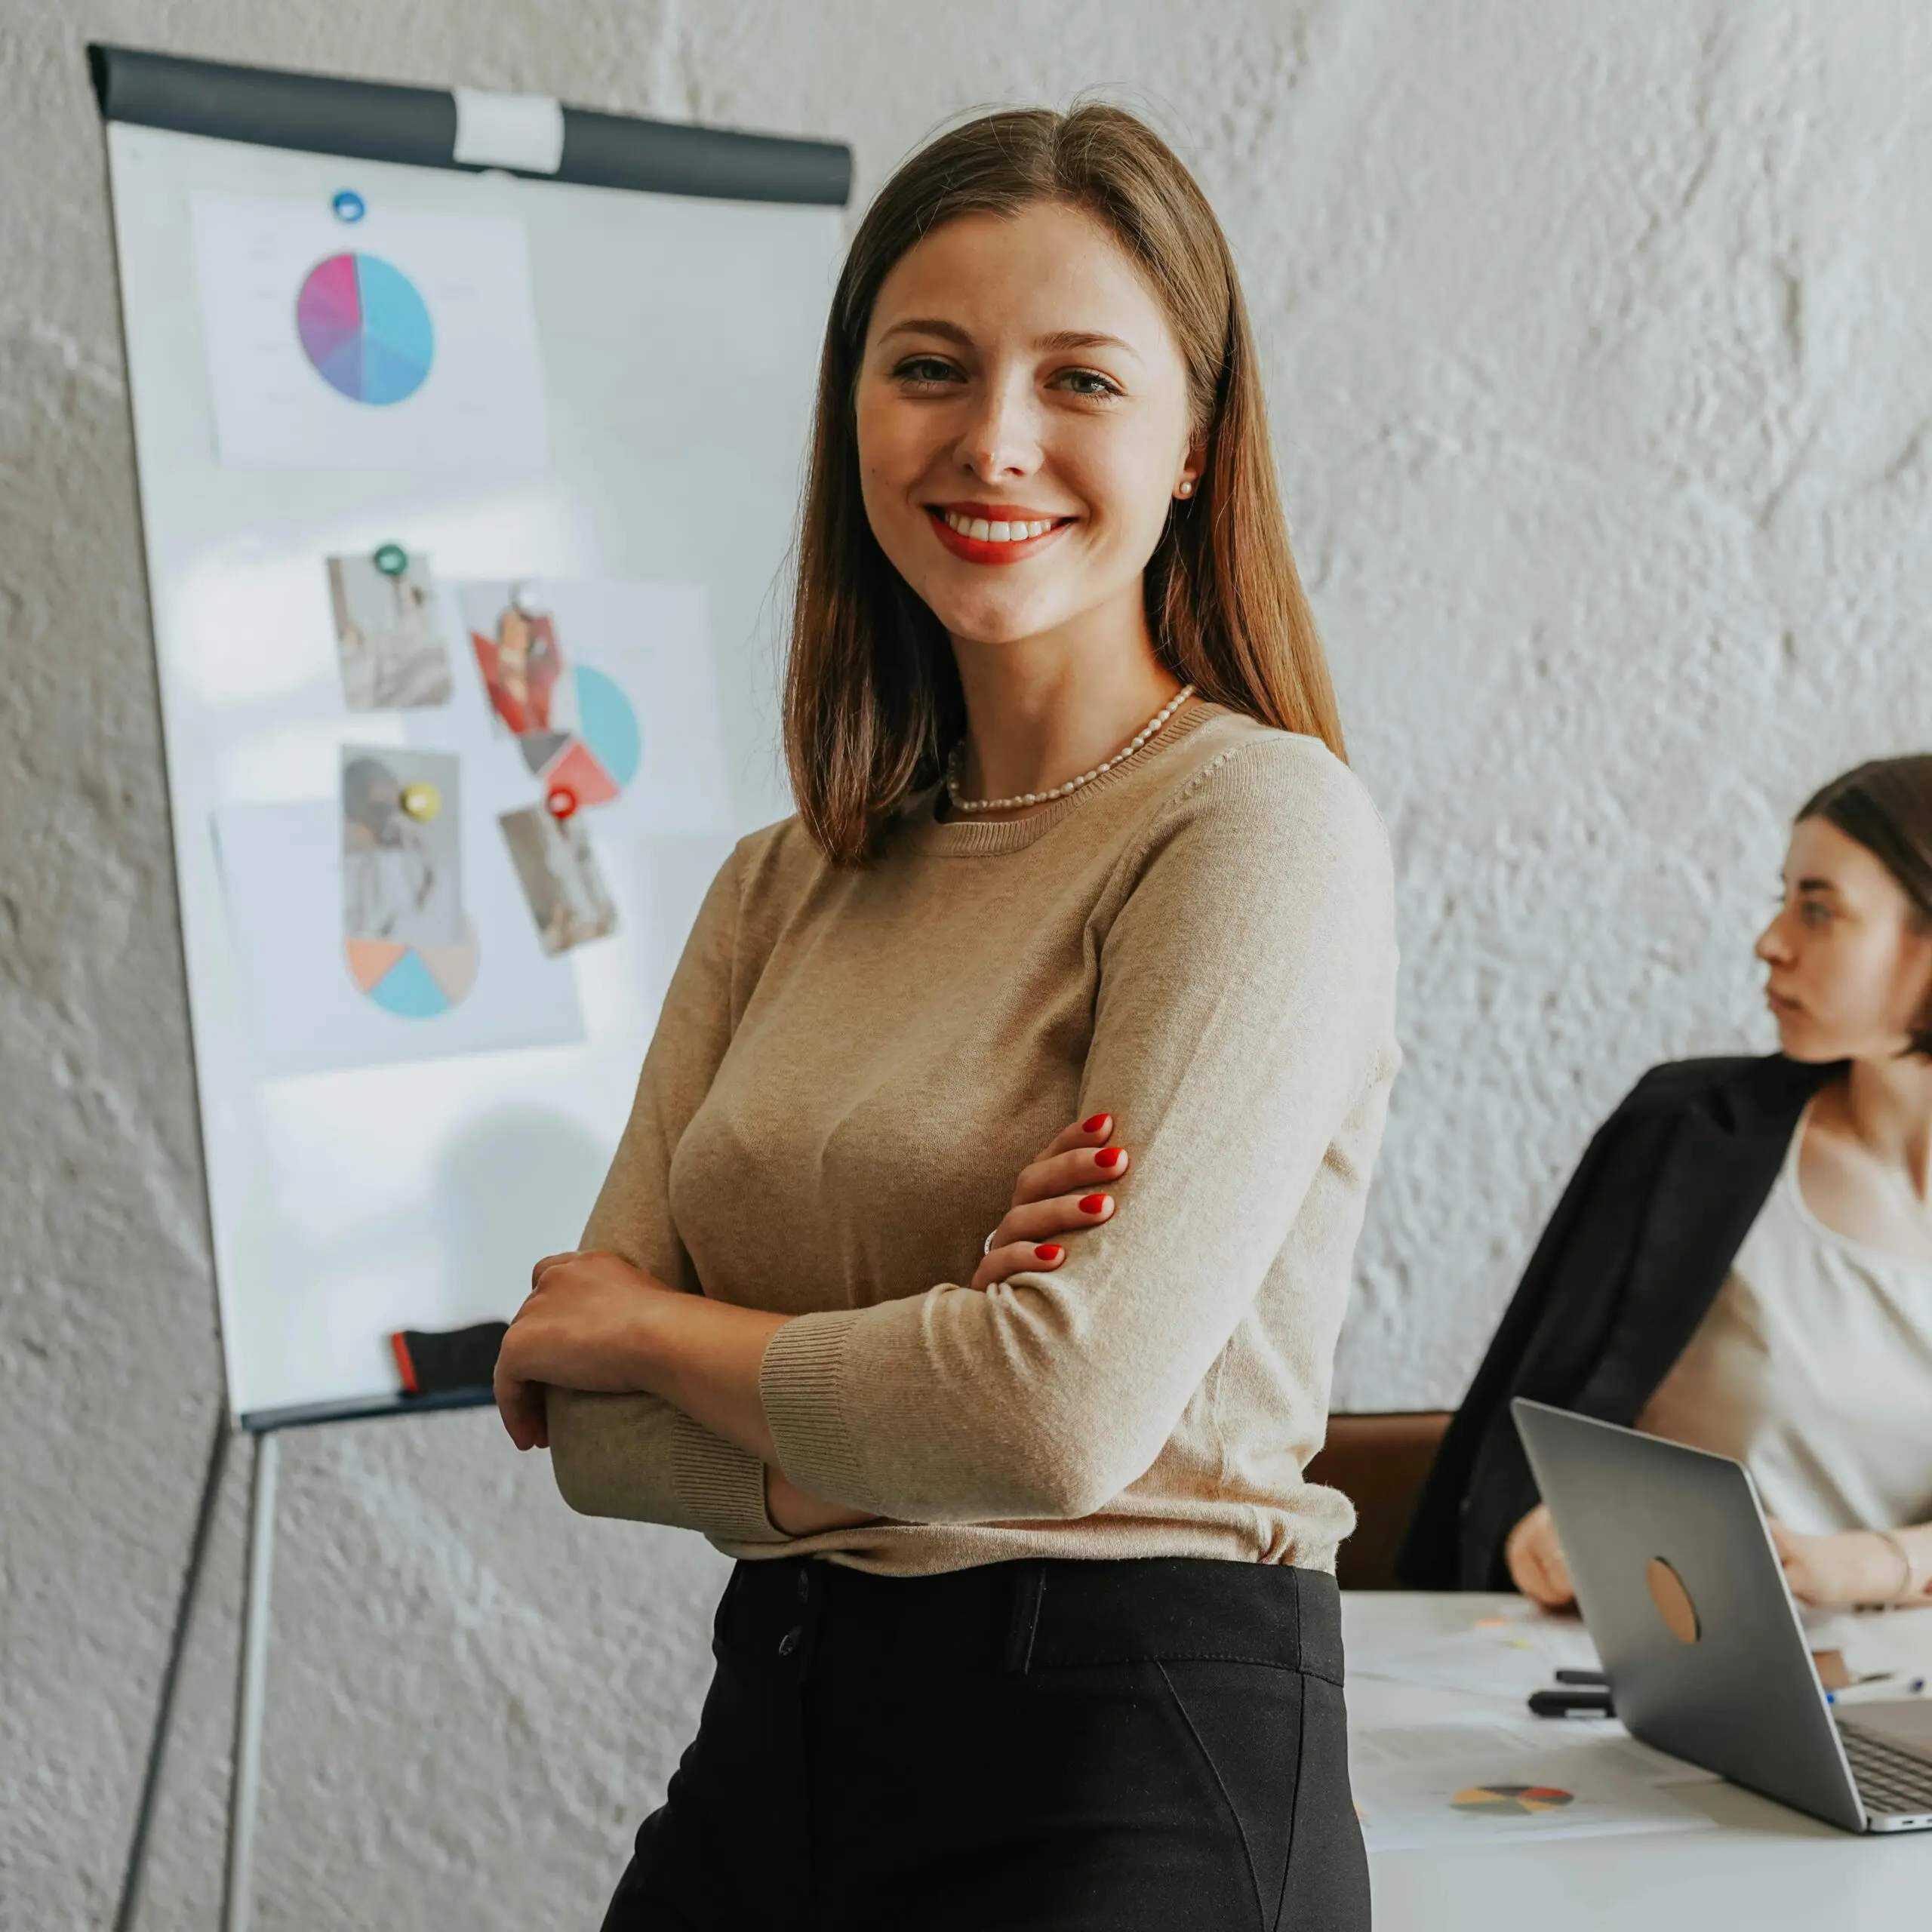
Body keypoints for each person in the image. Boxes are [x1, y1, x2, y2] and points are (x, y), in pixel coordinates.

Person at [491, 104, 1398, 1930]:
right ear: (852, 410)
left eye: (1080, 379)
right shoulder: (784, 879)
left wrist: (663, 1321)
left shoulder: (1252, 821)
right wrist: (920, 1372)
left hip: (1121, 1759)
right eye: (929, 366)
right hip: (779, 1737)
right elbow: (586, 1436)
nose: (992, 439)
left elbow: (1054, 1412)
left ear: (1194, 442)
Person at [1400, 755, 1932, 1614]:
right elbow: (1517, 1429)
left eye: (1819, 909)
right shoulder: (1685, 1132)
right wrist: (1537, 1529)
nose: (1770, 940)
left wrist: (1881, 1563)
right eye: (1784, 897)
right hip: (1653, 1662)